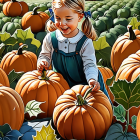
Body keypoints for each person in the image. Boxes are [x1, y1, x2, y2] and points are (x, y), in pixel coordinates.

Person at [37, 0, 112, 104]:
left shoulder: (85, 42)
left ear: (80, 17)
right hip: (61, 85)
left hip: (85, 84)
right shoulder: (51, 38)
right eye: (58, 18)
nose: (62, 23)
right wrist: (43, 62)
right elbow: (44, 55)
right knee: (64, 110)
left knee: (95, 110)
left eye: (68, 19)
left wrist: (92, 79)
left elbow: (89, 64)